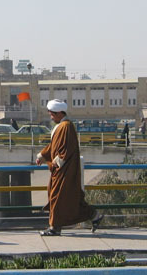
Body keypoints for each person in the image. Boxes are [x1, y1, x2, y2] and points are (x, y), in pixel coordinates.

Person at [35, 99, 103, 236]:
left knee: (58, 197)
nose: (51, 117)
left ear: (60, 113)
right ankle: (94, 215)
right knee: (70, 199)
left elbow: (64, 151)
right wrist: (42, 155)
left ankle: (55, 228)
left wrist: (54, 164)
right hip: (62, 171)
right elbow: (53, 146)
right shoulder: (62, 126)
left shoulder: (66, 127)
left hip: (64, 171)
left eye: (52, 114)